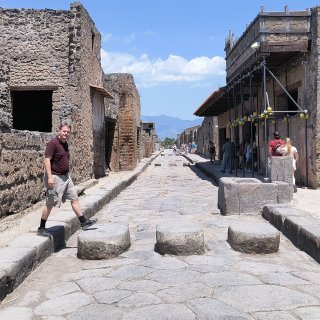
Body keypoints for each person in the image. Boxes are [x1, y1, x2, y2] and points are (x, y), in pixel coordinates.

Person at [37, 121, 97, 237]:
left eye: (68, 132)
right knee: (50, 203)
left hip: (66, 177)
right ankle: (41, 227)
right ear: (59, 131)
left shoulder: (65, 144)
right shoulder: (52, 143)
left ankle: (83, 222)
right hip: (54, 177)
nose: (66, 133)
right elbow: (47, 160)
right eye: (64, 131)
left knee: (74, 198)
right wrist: (50, 177)